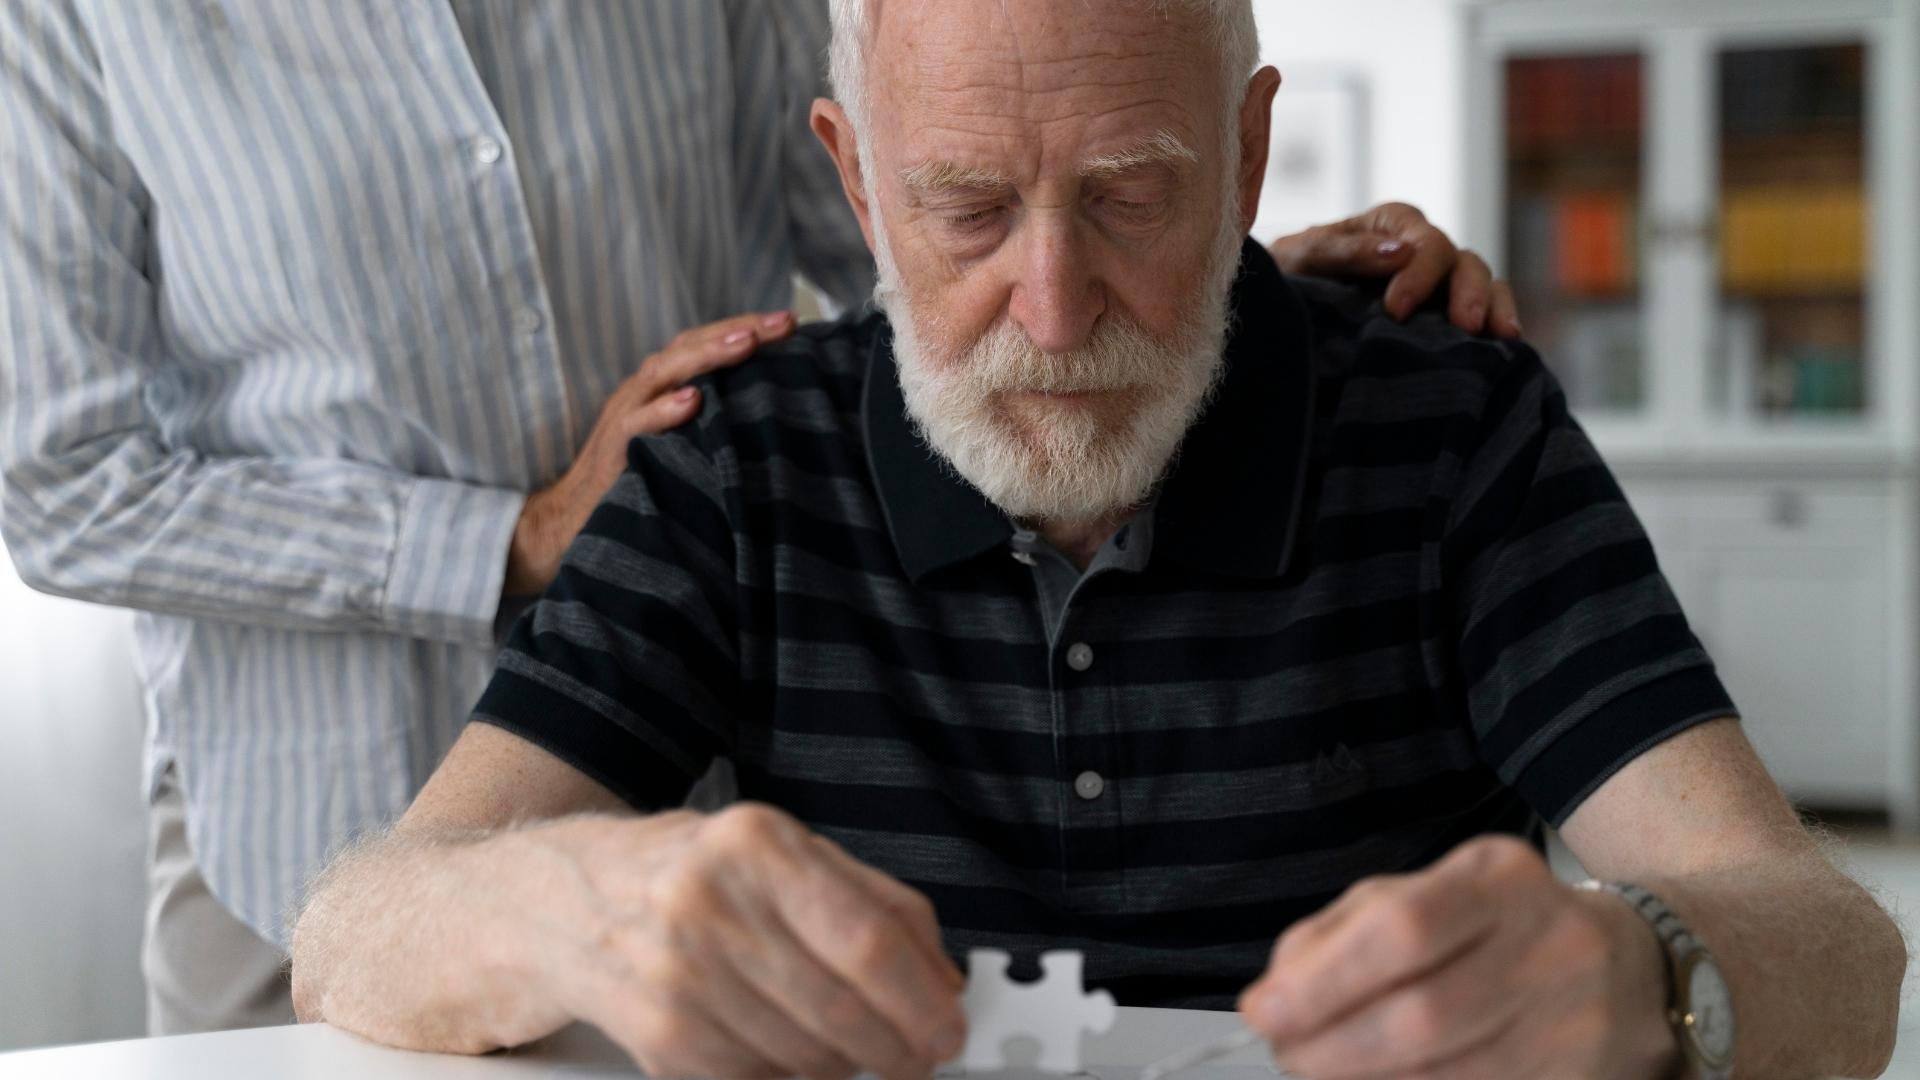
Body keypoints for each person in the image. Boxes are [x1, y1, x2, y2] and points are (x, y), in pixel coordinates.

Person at [288, 1, 1907, 1077]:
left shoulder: (1451, 426)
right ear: (854, 183)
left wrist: (1643, 979)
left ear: (1251, 156)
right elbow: (349, 935)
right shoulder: (740, 460)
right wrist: (585, 906)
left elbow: (1842, 949)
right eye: (968, 209)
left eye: (1135, 196)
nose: (1053, 315)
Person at [2, 0, 1510, 1042]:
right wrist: (514, 540)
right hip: (292, 804)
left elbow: (914, 219)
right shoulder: (73, 23)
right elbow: (59, 483)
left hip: (695, 752)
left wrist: (1176, 291)